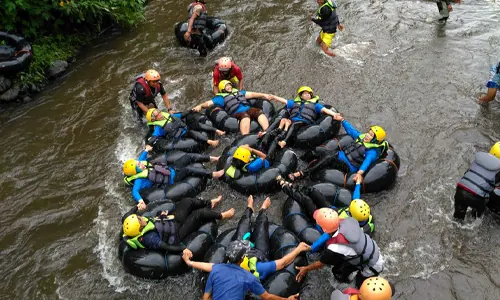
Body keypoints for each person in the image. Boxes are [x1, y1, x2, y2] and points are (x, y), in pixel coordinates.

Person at [184, 196, 301, 300]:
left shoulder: (217, 270)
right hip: (260, 255)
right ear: (243, 257)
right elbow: (282, 264)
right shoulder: (251, 274)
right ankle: (263, 210)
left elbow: (208, 272)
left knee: (242, 230)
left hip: (246, 258)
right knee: (261, 230)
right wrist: (298, 249)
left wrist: (190, 262)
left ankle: (250, 207)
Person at [295, 208, 384, 288]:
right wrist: (311, 247)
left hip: (372, 265)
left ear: (325, 229)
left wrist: (305, 268)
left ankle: (348, 285)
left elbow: (320, 264)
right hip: (372, 250)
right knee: (338, 270)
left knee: (360, 286)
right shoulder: (345, 221)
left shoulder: (335, 247)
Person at [289, 113, 388, 182]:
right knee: (318, 150)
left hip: (348, 165)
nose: (367, 135)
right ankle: (300, 159)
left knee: (329, 156)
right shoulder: (361, 138)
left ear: (375, 140)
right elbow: (351, 130)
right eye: (368, 133)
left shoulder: (372, 152)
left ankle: (302, 173)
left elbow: (367, 162)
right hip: (339, 155)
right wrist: (342, 120)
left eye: (371, 135)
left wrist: (359, 173)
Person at [122, 196, 234, 255]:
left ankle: (209, 203)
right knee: (198, 214)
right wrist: (182, 249)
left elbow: (127, 215)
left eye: (138, 217)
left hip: (170, 221)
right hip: (177, 234)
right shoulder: (149, 238)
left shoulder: (133, 224)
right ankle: (223, 215)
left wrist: (137, 207)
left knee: (187, 201)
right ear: (140, 228)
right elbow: (165, 247)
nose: (140, 217)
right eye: (139, 220)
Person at [122, 145, 225, 207]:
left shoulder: (141, 163)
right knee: (187, 170)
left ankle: (214, 158)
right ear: (136, 172)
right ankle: (213, 174)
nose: (141, 164)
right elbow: (134, 191)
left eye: (139, 163)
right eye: (139, 165)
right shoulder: (139, 180)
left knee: (188, 156)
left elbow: (141, 157)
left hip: (172, 168)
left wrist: (146, 150)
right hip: (172, 179)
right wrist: (141, 202)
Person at [277, 175, 374, 241]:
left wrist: (313, 246)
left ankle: (285, 187)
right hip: (332, 210)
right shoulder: (363, 216)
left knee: (307, 200)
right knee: (314, 192)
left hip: (325, 220)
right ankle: (293, 186)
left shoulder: (349, 229)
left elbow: (330, 234)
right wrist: (358, 183)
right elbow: (356, 197)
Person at [192, 80, 280, 134]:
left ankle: (267, 131)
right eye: (227, 86)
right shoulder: (220, 98)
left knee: (258, 112)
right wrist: (200, 106)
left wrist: (264, 95)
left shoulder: (239, 92)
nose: (229, 86)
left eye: (230, 85)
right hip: (237, 113)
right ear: (223, 88)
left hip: (248, 109)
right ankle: (245, 136)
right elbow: (208, 103)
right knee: (245, 117)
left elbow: (252, 94)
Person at [266, 86, 340, 148]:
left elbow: (325, 110)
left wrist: (334, 114)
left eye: (309, 94)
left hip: (304, 122)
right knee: (283, 122)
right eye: (305, 94)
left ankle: (284, 141)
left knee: (294, 125)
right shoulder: (295, 103)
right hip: (292, 120)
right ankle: (268, 135)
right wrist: (274, 97)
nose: (308, 95)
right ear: (301, 96)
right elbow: (284, 101)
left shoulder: (315, 105)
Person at [454, 142, 500, 220]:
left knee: (457, 219)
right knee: (476, 221)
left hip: (460, 190)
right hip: (477, 198)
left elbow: (467, 174)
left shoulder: (477, 160)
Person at [145, 108, 221, 148]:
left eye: (159, 112)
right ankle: (210, 141)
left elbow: (181, 115)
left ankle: (217, 130)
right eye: (157, 115)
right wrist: (148, 145)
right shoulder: (159, 127)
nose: (160, 114)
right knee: (191, 132)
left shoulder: (168, 116)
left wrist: (191, 111)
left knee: (196, 124)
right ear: (153, 119)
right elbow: (154, 137)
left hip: (184, 128)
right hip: (180, 137)